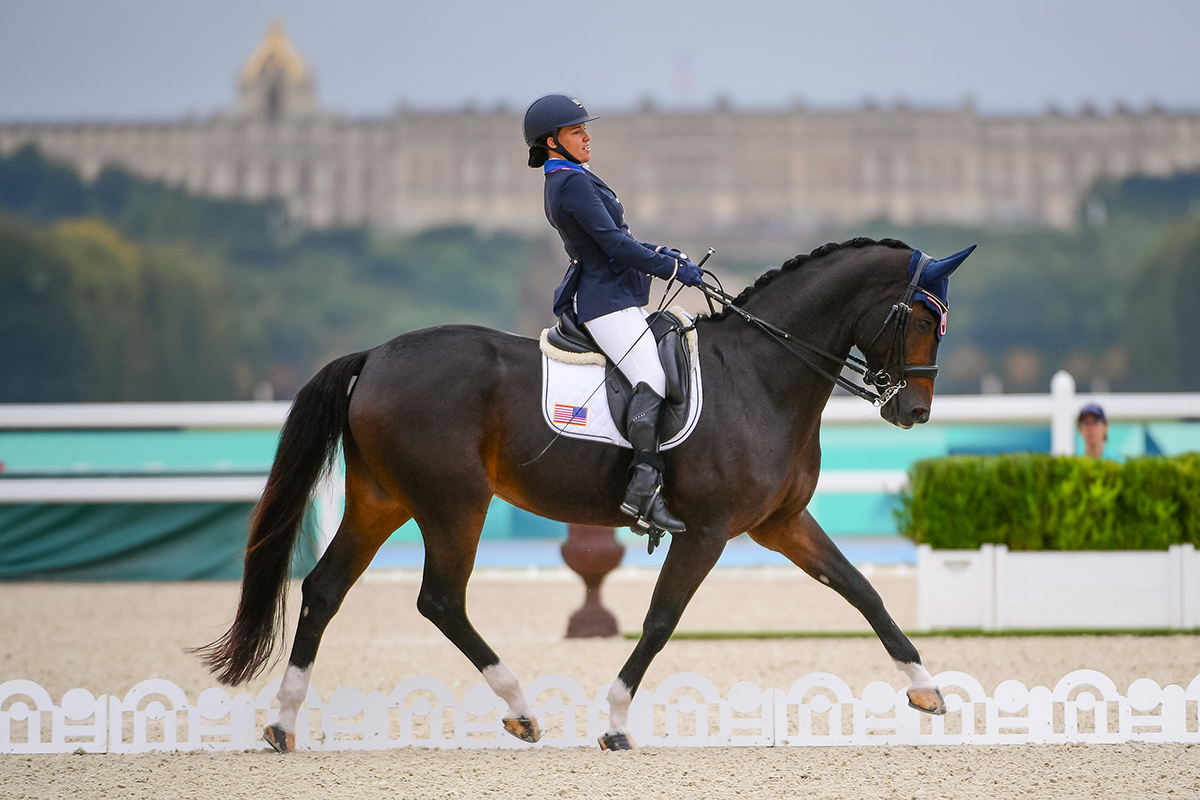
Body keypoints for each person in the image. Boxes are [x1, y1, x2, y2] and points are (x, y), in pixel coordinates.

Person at [523, 93, 704, 535]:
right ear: (552, 142)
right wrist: (671, 267)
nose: (587, 137)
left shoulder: (572, 177)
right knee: (654, 377)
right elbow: (615, 246)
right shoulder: (570, 183)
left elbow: (618, 238)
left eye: (586, 129)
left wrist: (658, 251)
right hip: (607, 302)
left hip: (615, 293)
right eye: (576, 131)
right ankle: (642, 488)